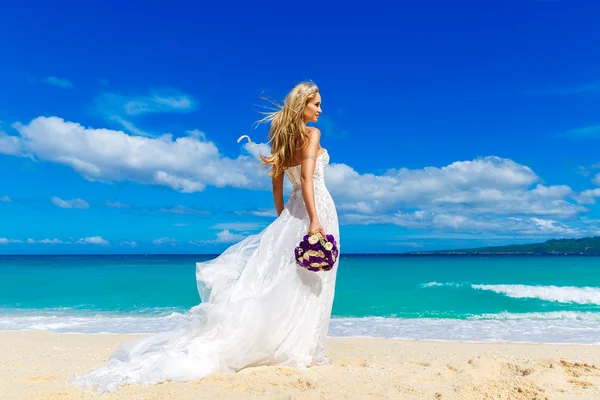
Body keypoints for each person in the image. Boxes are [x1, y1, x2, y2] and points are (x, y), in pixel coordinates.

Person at [70, 81, 340, 393]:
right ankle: (303, 350)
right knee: (311, 281)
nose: (320, 110)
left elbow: (277, 187)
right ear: (302, 105)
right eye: (316, 104)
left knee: (288, 279)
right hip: (314, 207)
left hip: (292, 212)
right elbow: (307, 178)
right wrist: (315, 220)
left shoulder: (281, 140)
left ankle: (295, 346)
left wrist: (283, 220)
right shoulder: (312, 134)